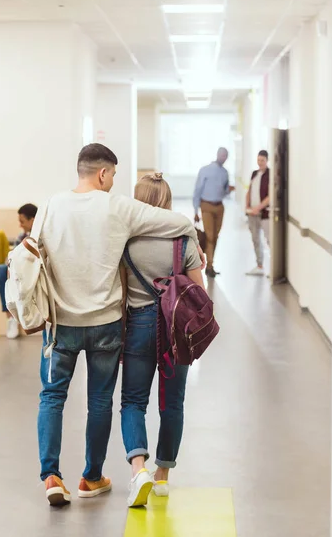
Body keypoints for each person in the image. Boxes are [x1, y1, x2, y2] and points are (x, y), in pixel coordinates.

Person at [36, 144, 204, 507]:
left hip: (64, 322)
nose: (114, 182)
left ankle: (53, 475)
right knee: (103, 402)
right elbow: (180, 226)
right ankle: (95, 476)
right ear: (102, 173)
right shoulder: (118, 208)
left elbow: (35, 252)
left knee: (57, 397)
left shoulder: (50, 205)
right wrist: (196, 241)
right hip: (107, 322)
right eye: (113, 175)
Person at [120, 173, 206, 508]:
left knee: (132, 401)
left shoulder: (126, 240)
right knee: (172, 403)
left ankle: (137, 469)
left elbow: (119, 290)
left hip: (139, 323)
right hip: (176, 327)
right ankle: (162, 477)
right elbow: (199, 292)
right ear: (167, 202)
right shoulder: (183, 240)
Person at [0, 203, 38, 339]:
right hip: (19, 273)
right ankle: (11, 318)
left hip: (36, 273)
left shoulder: (43, 236)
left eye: (22, 221)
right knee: (1, 270)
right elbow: (11, 258)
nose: (20, 225)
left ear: (33, 220)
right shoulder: (21, 237)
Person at [193, 147, 233, 278]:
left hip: (219, 207)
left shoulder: (225, 172)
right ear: (217, 155)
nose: (223, 158)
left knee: (215, 236)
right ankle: (208, 266)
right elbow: (197, 190)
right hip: (206, 206)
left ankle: (210, 265)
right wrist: (195, 211)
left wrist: (229, 190)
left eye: (225, 156)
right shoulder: (205, 170)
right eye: (222, 155)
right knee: (209, 236)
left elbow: (225, 191)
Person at [246, 150, 270, 276]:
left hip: (264, 213)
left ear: (267, 161)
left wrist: (258, 208)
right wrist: (247, 206)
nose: (260, 162)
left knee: (269, 240)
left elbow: (270, 196)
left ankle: (273, 269)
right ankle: (259, 265)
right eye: (258, 160)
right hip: (252, 212)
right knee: (256, 239)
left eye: (262, 160)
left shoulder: (270, 174)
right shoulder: (254, 173)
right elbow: (249, 190)